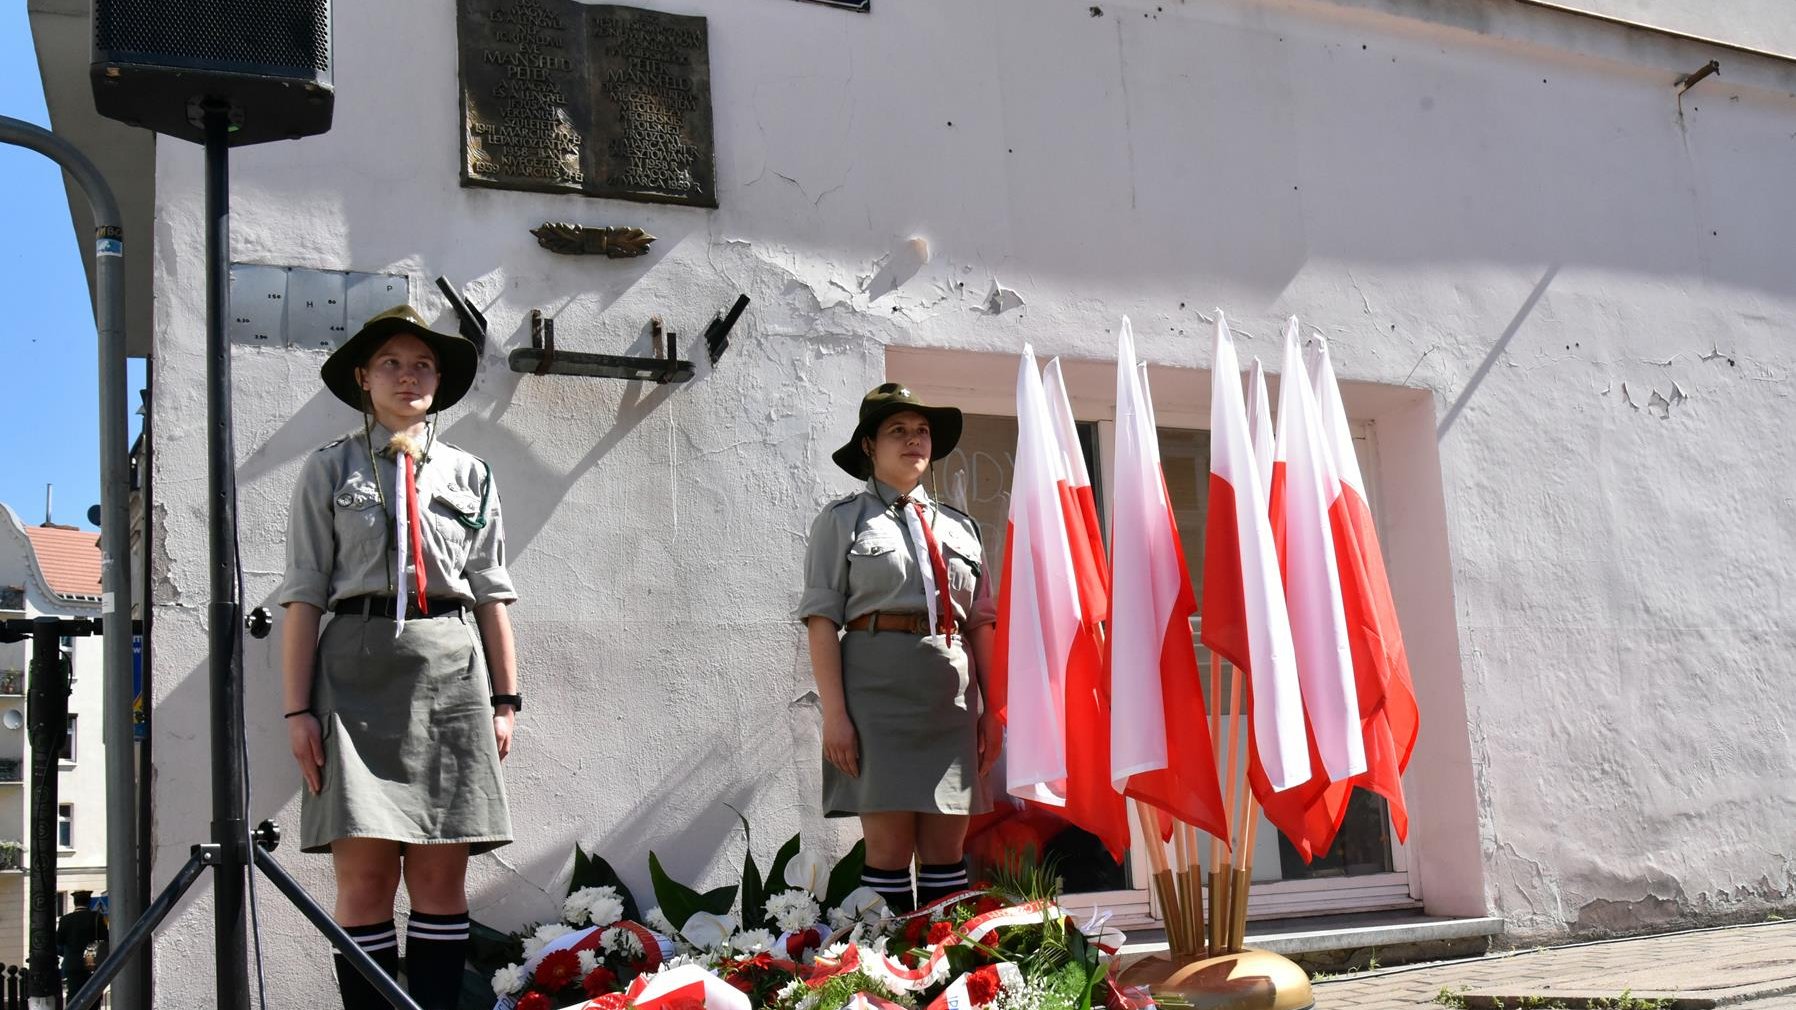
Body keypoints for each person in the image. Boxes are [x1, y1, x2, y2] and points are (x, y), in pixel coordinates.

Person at [277, 305, 521, 1010]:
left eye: (423, 365)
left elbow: (492, 594)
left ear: (438, 382)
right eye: (391, 362)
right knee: (364, 881)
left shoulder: (471, 474)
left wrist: (507, 702)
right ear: (363, 377)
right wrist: (297, 711)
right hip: (352, 678)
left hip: (449, 673)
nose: (408, 375)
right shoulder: (328, 471)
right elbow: (303, 594)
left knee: (442, 882)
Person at [798, 382, 1001, 913]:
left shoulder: (962, 527)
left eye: (921, 431)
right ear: (869, 445)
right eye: (898, 431)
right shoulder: (841, 521)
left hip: (950, 705)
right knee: (888, 851)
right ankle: (887, 980)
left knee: (946, 852)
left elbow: (981, 623)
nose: (914, 440)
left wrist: (995, 711)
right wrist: (835, 716)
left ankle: (944, 978)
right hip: (876, 701)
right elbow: (822, 621)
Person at [56, 890, 107, 1001]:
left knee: (73, 994)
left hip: (72, 964)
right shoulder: (97, 917)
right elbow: (105, 939)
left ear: (75, 902)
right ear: (88, 902)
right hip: (91, 961)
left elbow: (59, 941)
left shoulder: (65, 919)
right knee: (93, 994)